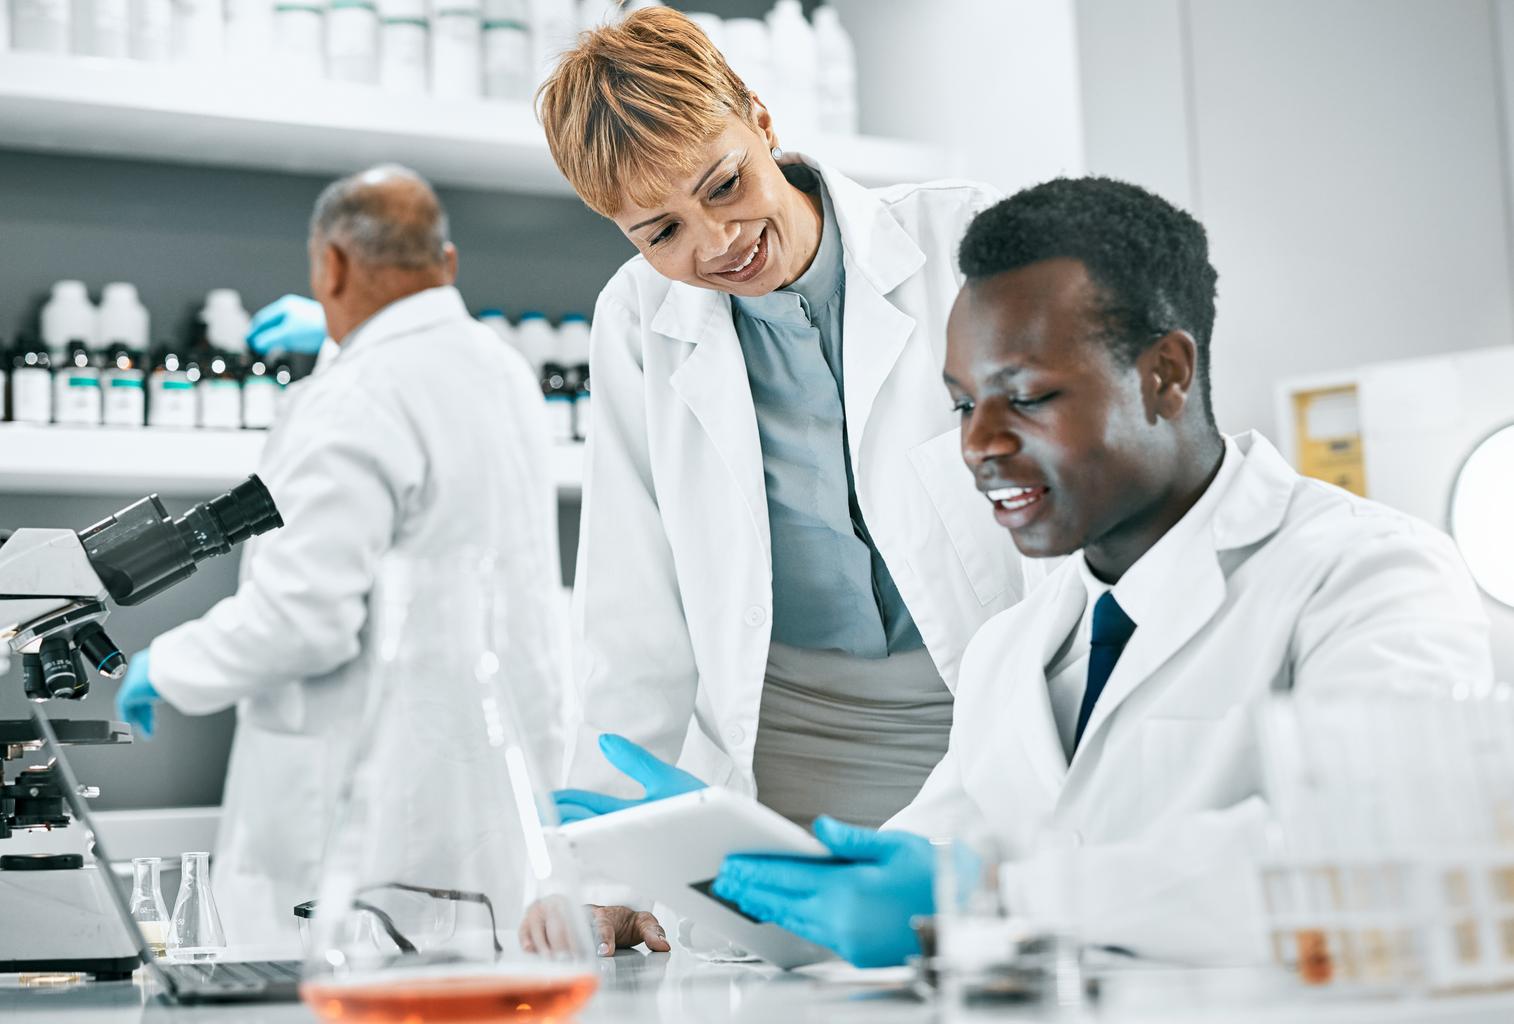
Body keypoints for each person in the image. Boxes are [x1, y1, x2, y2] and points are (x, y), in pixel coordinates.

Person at [589, 177, 1493, 967]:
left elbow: (1377, 854)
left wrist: (990, 899)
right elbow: (903, 882)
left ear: (1165, 375)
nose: (977, 445)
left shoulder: (1367, 576)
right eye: (961, 405)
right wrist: (726, 868)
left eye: (1025, 398)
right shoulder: (1015, 649)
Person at [533, 8, 1029, 954]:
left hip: (985, 710)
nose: (716, 240)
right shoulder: (637, 316)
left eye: (724, 184)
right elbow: (630, 609)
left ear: (761, 118)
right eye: (659, 231)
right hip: (788, 741)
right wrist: (600, 863)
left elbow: (1071, 538)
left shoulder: (971, 237)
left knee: (984, 960)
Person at [114, 165, 567, 945]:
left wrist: (171, 664)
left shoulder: (358, 394)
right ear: (448, 264)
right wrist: (337, 349)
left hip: (365, 826)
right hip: (488, 799)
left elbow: (303, 619)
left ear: (331, 266)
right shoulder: (500, 370)